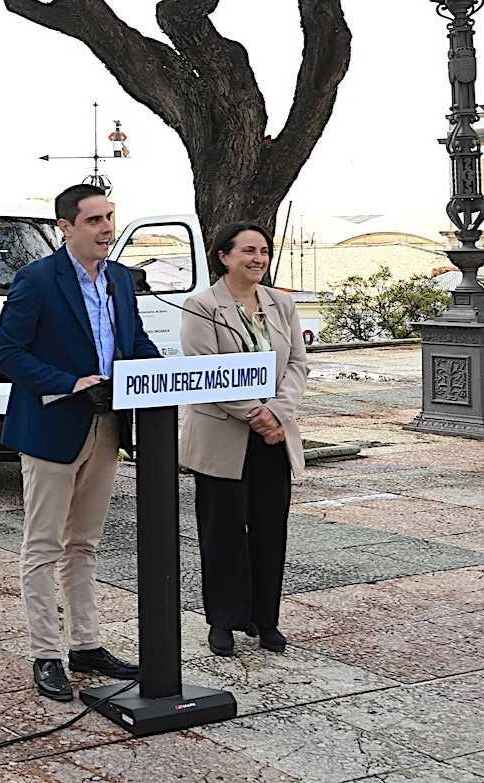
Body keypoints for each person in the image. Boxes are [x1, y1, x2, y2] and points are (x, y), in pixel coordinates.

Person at [0, 184, 160, 702]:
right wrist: (69, 383)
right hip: (52, 426)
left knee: (84, 543)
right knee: (44, 545)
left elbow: (134, 344)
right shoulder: (36, 280)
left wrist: (172, 372)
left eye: (110, 217)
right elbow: (8, 353)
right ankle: (46, 653)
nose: (107, 228)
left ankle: (86, 645)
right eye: (94, 220)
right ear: (65, 227)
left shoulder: (121, 281)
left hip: (108, 427)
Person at [179, 222, 308, 657]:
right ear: (224, 256)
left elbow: (296, 367)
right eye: (248, 251)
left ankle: (265, 619)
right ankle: (224, 621)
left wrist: (277, 414)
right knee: (222, 531)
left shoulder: (281, 304)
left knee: (271, 529)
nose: (258, 259)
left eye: (264, 252)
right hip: (223, 435)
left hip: (274, 436)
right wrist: (256, 412)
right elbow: (205, 369)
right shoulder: (201, 306)